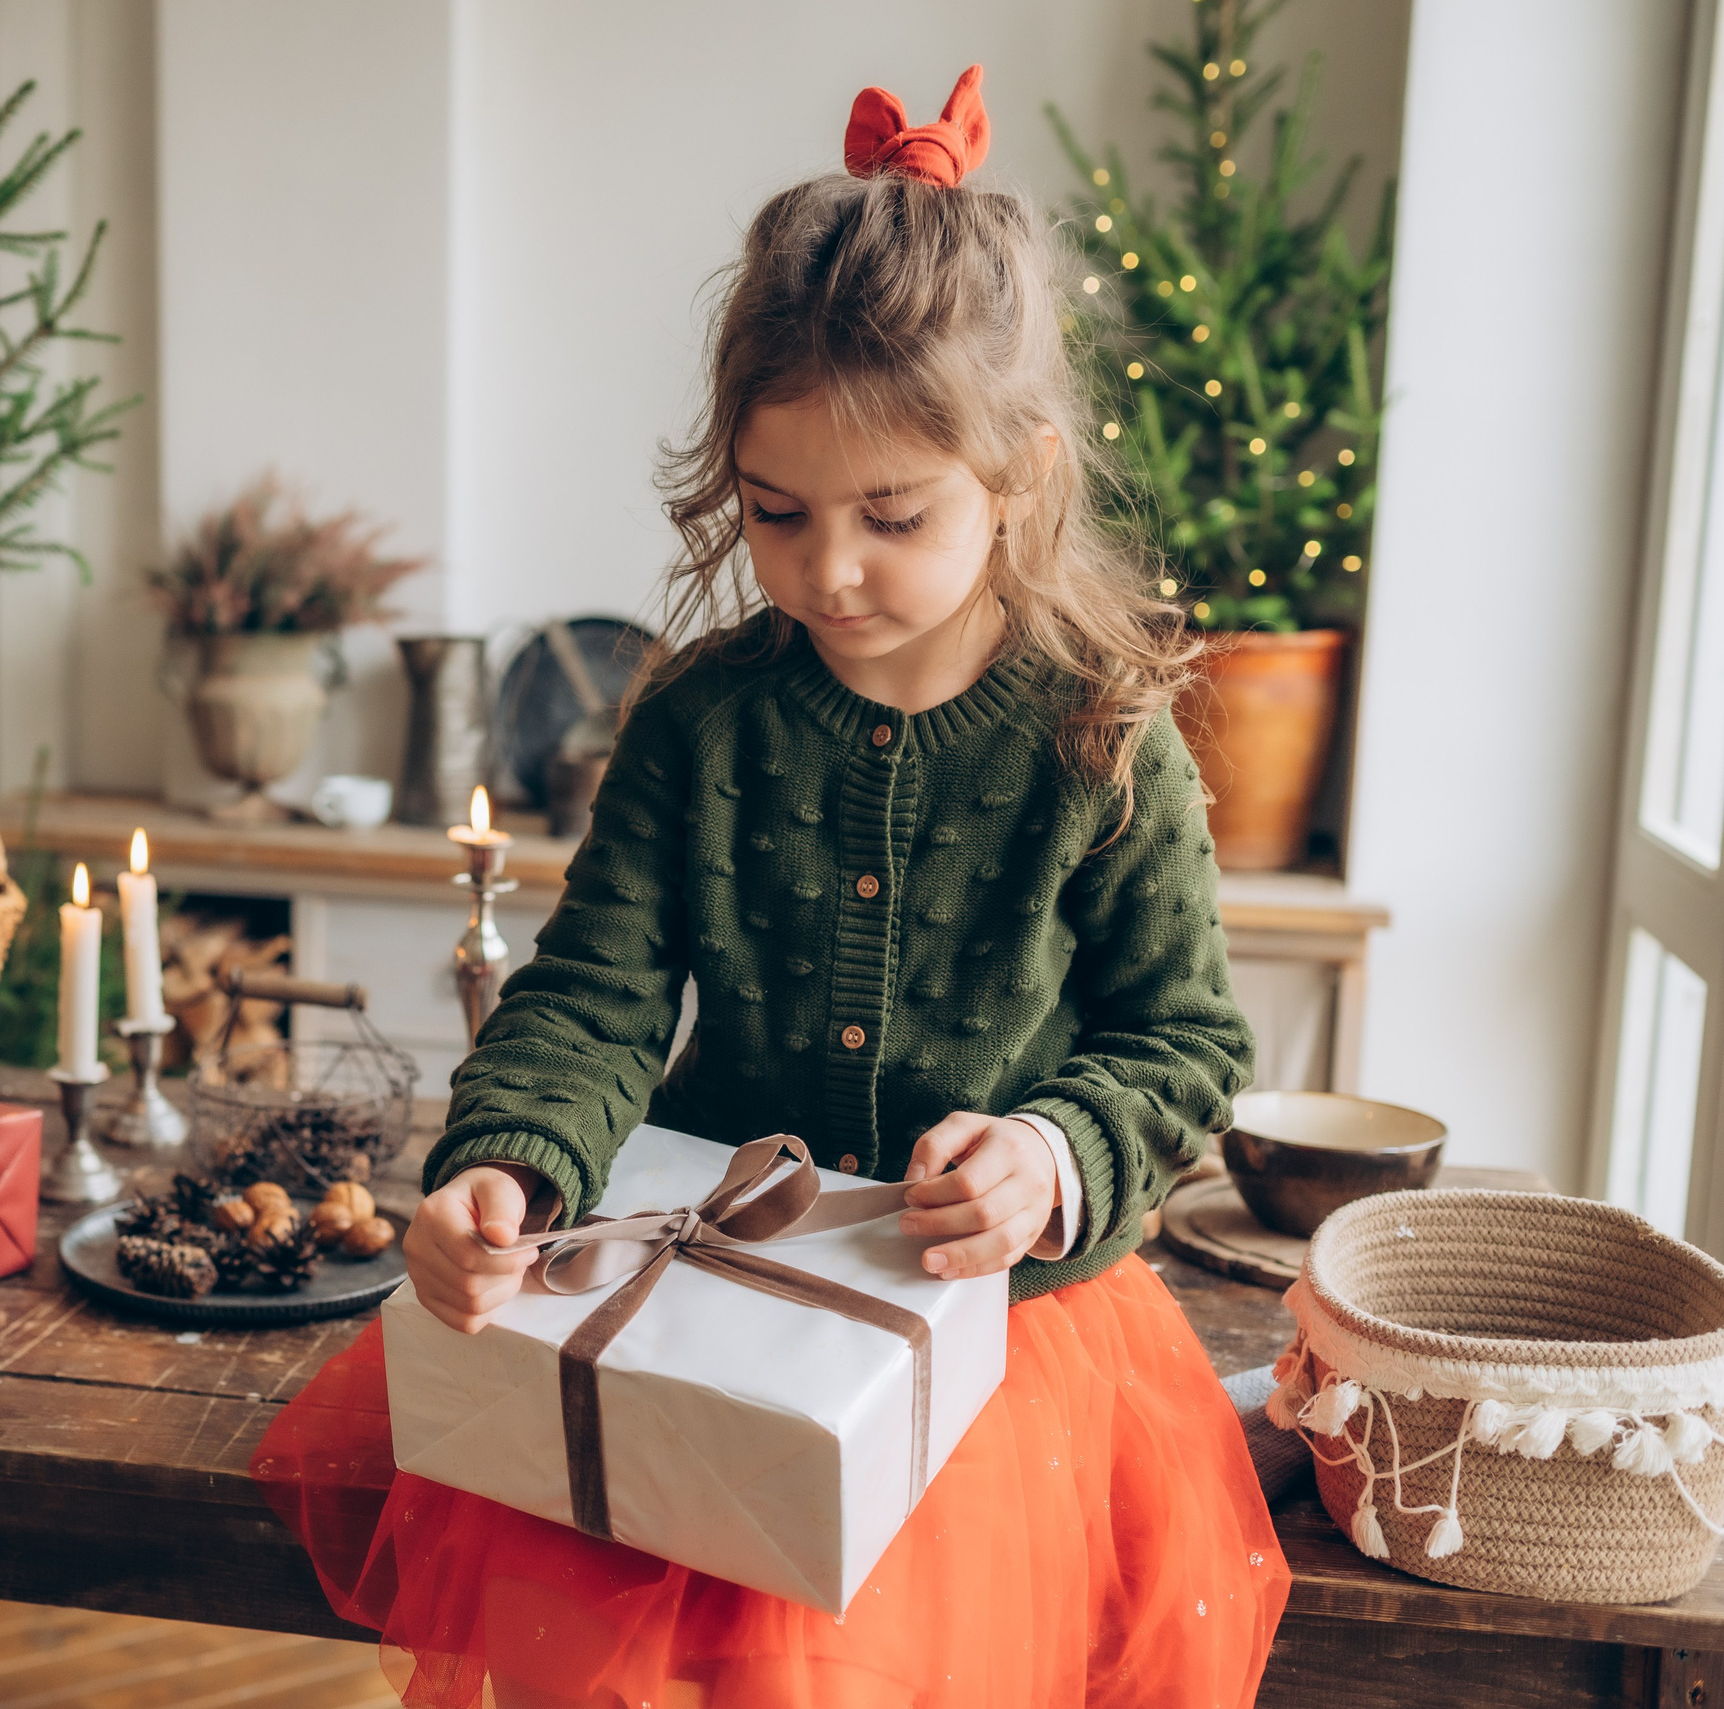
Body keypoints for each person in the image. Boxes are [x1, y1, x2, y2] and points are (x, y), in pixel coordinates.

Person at [253, 64, 1290, 1709]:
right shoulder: (701, 717)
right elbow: (593, 992)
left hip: (1000, 1344)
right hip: (703, 1321)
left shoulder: (1103, 737)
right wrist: (511, 1164)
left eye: (894, 515)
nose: (829, 570)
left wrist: (1051, 1151)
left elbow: (1185, 1042)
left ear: (1014, 476)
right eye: (776, 512)